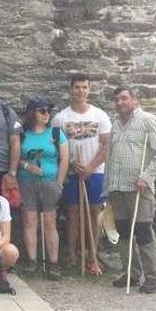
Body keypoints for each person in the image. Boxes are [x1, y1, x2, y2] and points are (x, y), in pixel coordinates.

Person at [106, 86, 156, 294]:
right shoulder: (114, 124)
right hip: (117, 187)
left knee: (142, 231)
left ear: (134, 100)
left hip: (139, 187)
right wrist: (108, 186)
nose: (120, 102)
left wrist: (146, 176)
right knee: (123, 231)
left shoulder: (148, 120)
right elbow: (110, 156)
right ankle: (131, 273)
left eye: (124, 98)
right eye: (117, 99)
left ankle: (153, 277)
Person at [52, 73, 111, 275]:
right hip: (71, 171)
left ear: (89, 89)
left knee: (94, 212)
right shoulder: (61, 118)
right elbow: (56, 148)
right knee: (73, 213)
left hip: (94, 172)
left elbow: (106, 146)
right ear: (71, 89)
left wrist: (91, 167)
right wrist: (69, 165)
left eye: (84, 87)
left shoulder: (100, 115)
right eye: (77, 87)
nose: (81, 91)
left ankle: (92, 254)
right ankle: (71, 254)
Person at [17, 97, 68, 280]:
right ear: (33, 114)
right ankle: (32, 260)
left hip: (50, 182)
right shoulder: (23, 135)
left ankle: (53, 262)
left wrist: (59, 182)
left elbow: (64, 158)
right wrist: (26, 166)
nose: (47, 115)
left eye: (48, 111)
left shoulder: (55, 133)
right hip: (26, 181)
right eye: (42, 111)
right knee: (29, 221)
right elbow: (15, 156)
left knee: (50, 222)